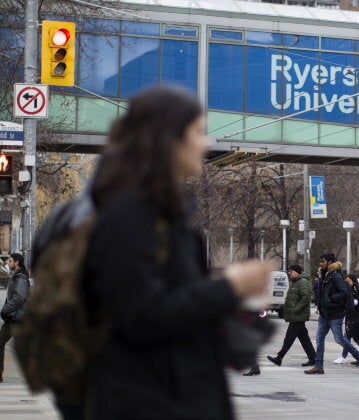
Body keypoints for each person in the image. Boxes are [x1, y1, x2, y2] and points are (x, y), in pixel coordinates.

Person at [80, 86, 272, 420]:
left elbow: (182, 315)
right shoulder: (129, 214)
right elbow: (141, 317)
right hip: (148, 401)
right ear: (168, 139)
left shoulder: (166, 214)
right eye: (198, 132)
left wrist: (239, 304)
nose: (206, 144)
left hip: (174, 395)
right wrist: (228, 287)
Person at [305, 254, 359, 375]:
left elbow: (344, 292)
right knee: (319, 338)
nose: (320, 263)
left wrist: (331, 299)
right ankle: (319, 366)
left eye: (323, 261)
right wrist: (320, 306)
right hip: (324, 313)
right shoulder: (324, 274)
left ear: (330, 262)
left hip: (335, 313)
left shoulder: (336, 275)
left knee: (339, 339)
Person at [267, 264, 316, 368]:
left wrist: (295, 310)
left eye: (291, 271)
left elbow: (306, 298)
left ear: (297, 272)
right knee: (304, 338)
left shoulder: (302, 282)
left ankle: (279, 358)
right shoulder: (296, 282)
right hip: (297, 315)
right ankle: (313, 358)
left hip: (298, 315)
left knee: (289, 337)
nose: (289, 273)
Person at [0, 253, 30, 383]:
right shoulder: (16, 276)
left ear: (17, 262)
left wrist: (5, 309)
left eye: (10, 261)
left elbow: (19, 297)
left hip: (17, 318)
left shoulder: (21, 278)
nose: (8, 263)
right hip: (13, 318)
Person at [333, 274, 359, 364]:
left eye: (349, 281)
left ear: (354, 281)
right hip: (350, 317)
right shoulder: (349, 291)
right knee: (356, 339)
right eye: (346, 281)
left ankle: (344, 356)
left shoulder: (358, 292)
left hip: (355, 319)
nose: (347, 283)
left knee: (346, 337)